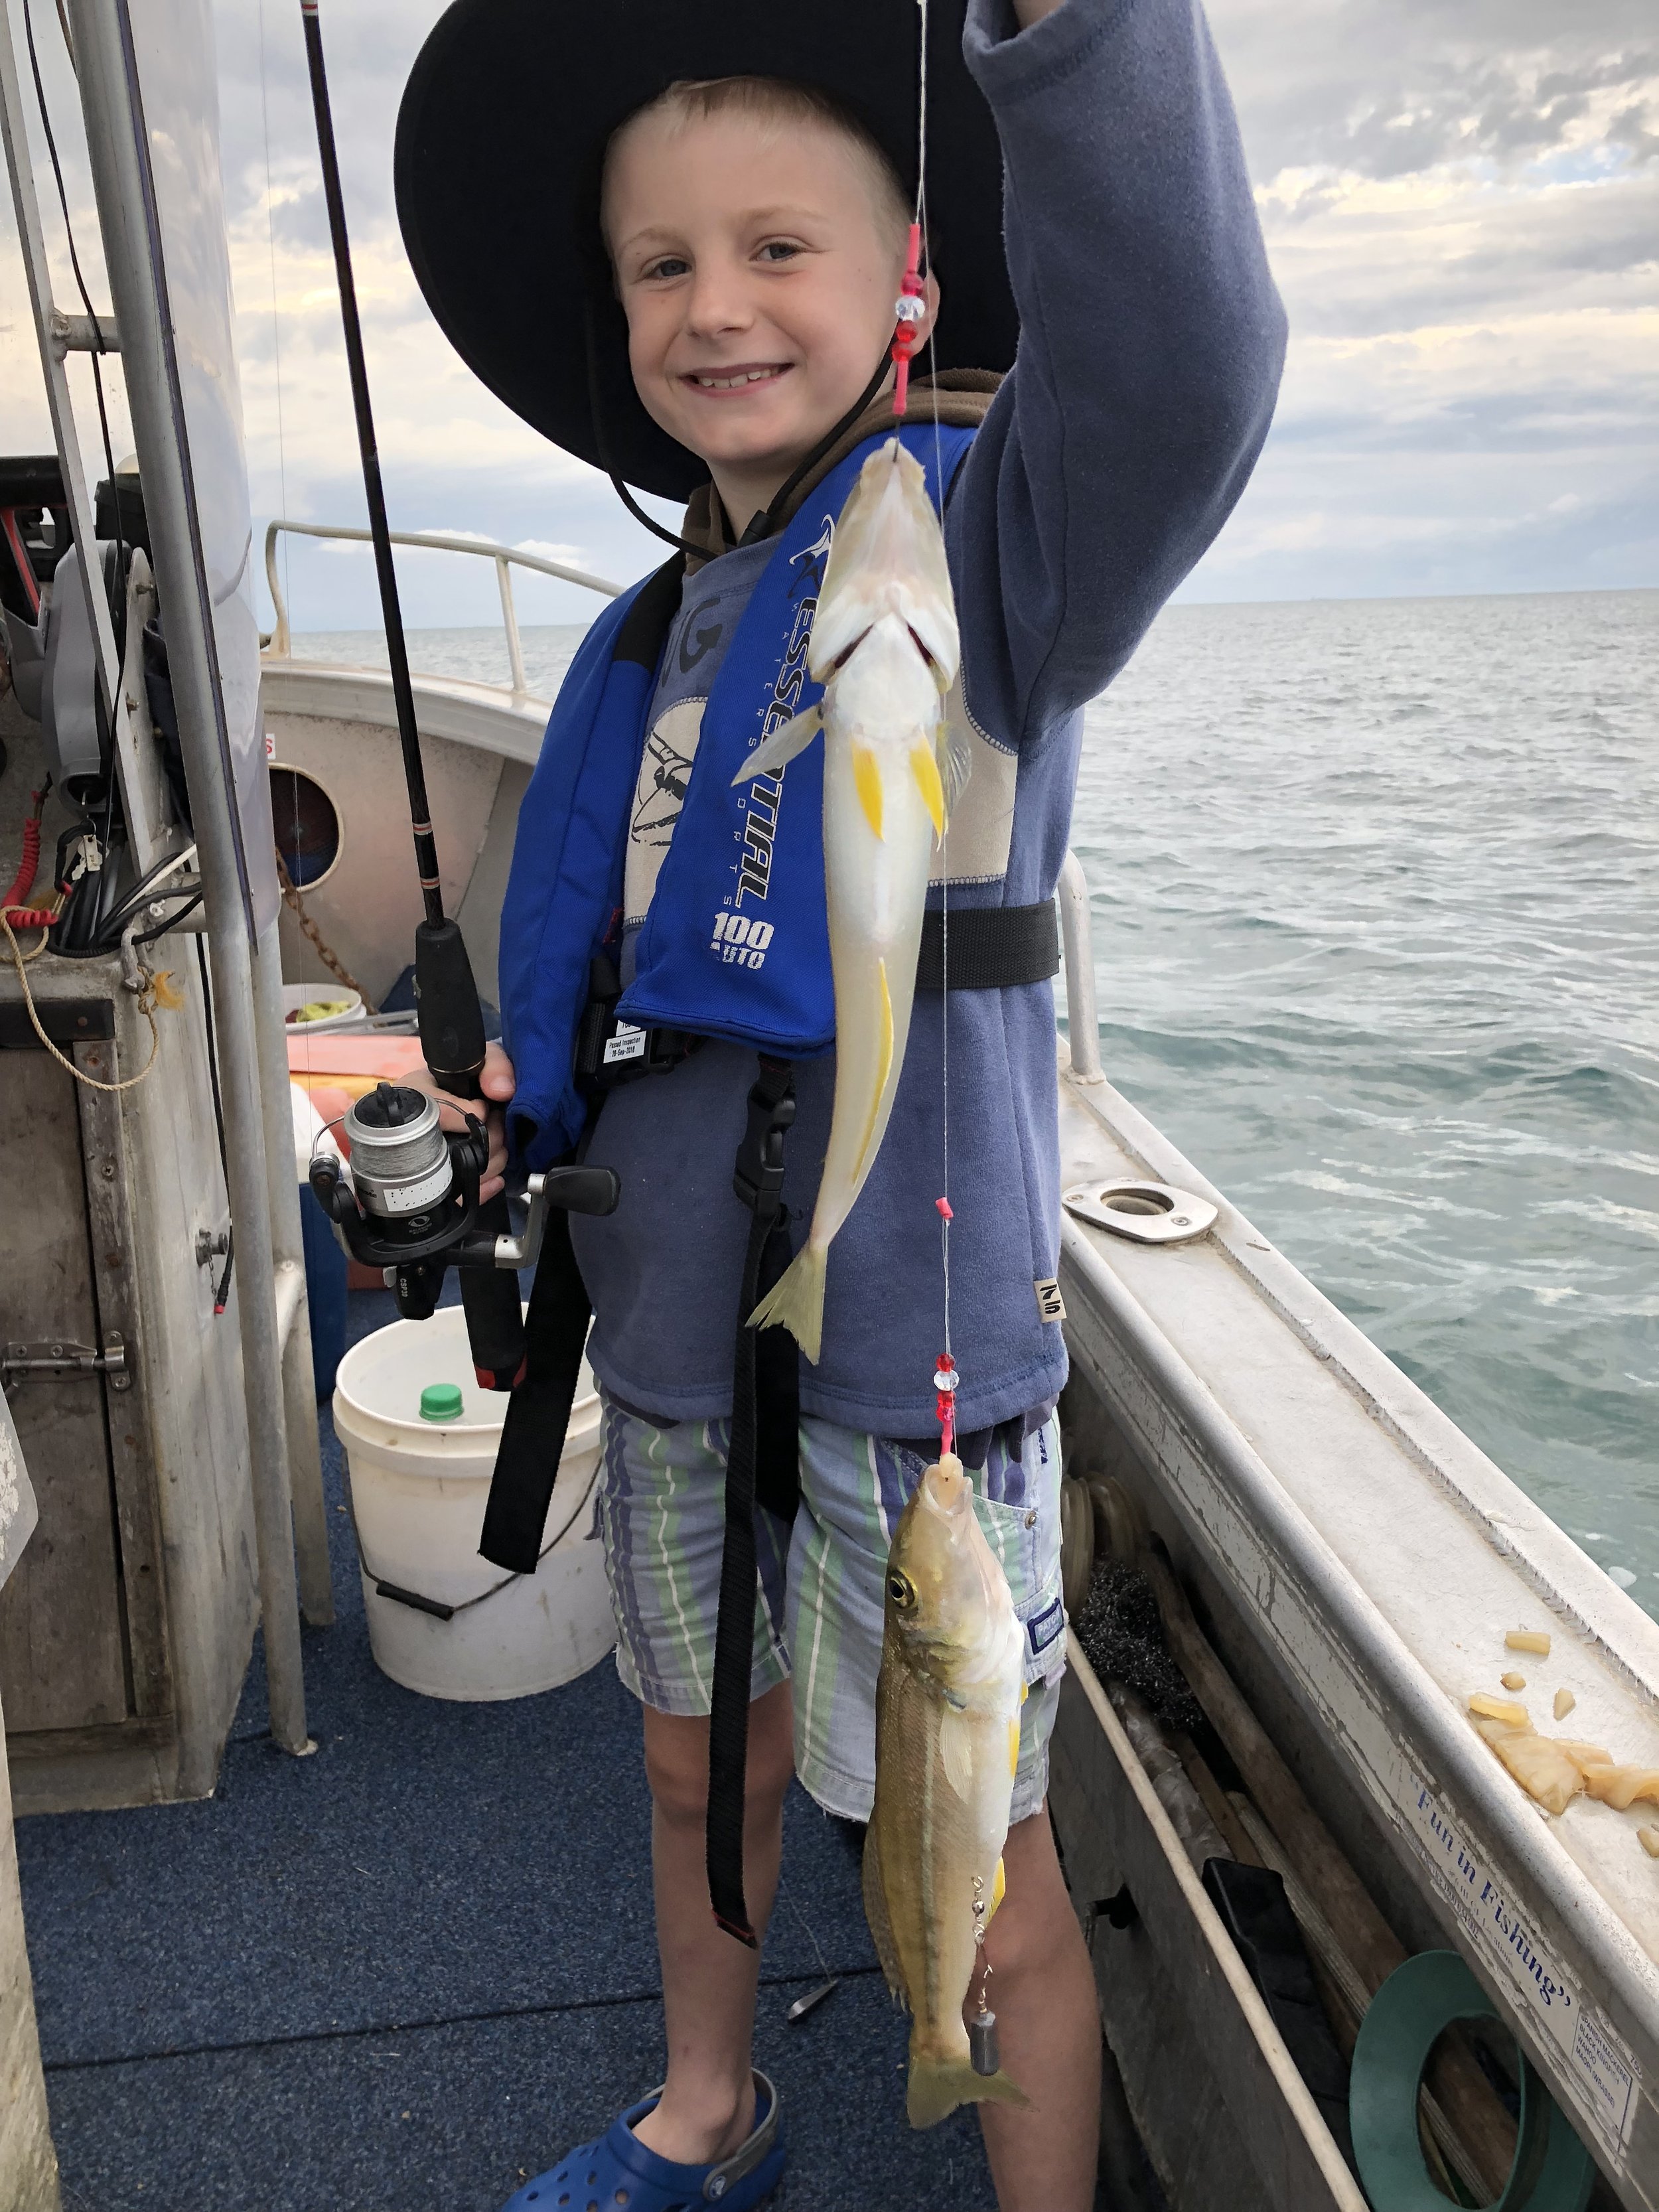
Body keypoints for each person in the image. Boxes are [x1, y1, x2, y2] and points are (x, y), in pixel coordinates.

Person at [396, 1, 1284, 2205]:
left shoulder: (981, 545)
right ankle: (710, 2110)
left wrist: (1066, 44)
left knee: (976, 1865)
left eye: (780, 247)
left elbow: (1179, 369)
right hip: (680, 1343)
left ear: (909, 273)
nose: (715, 306)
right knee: (697, 1757)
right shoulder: (642, 636)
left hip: (921, 1354)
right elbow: (610, 983)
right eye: (662, 264)